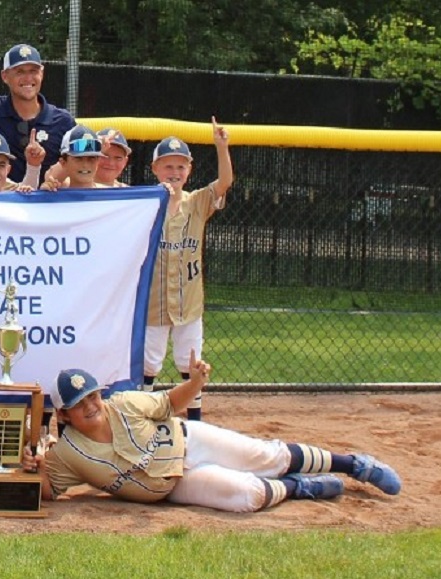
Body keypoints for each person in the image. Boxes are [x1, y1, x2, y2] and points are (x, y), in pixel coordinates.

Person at [22, 354, 402, 513]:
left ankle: (353, 464)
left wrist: (196, 381)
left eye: (92, 395)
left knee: (267, 457)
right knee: (245, 495)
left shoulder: (125, 403)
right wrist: (35, 466)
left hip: (189, 442)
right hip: (172, 488)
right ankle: (301, 487)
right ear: (67, 415)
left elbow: (173, 402)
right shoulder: (68, 451)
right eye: (79, 403)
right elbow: (51, 491)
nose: (90, 405)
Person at [142, 117, 233, 421]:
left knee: (189, 362)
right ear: (155, 169)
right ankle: (144, 419)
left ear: (189, 170)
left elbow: (224, 184)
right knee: (148, 364)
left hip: (188, 301)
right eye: (168, 166)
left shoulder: (197, 202)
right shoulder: (144, 204)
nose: (175, 172)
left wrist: (222, 148)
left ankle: (195, 425)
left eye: (181, 166)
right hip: (154, 302)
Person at [0, 44, 76, 185]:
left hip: (47, 205)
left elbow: (79, 165)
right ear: (4, 76)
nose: (28, 78)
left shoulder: (63, 121)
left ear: (42, 73)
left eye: (33, 71)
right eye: (19, 72)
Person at [40, 125, 107, 191]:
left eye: (91, 158)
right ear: (63, 163)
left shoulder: (108, 195)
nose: (85, 165)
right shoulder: (54, 194)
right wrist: (44, 196)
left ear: (98, 161)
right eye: (78, 158)